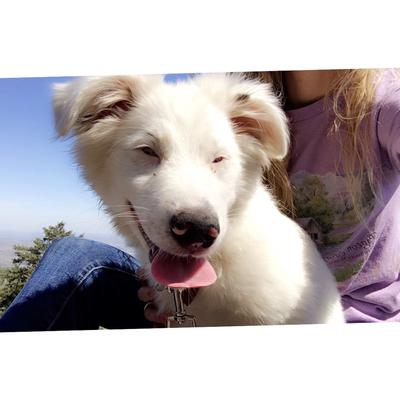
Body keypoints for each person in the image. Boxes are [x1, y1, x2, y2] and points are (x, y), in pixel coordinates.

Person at [1, 68, 399, 331]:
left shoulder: (384, 102)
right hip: (173, 300)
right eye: (148, 151)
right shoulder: (230, 97)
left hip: (354, 318)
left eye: (218, 160)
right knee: (75, 257)